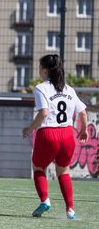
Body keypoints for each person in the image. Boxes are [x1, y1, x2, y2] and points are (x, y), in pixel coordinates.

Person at [22, 54, 88, 219]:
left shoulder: (41, 88)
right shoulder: (69, 89)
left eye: (39, 67)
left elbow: (44, 112)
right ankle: (70, 210)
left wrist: (30, 128)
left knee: (38, 167)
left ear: (45, 69)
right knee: (63, 171)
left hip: (48, 134)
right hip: (67, 134)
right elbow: (83, 113)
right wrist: (84, 130)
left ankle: (45, 200)